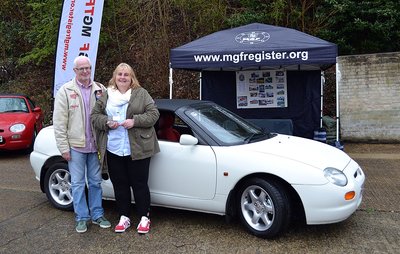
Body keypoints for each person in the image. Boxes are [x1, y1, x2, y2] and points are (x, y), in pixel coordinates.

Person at [91, 63, 160, 234]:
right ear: (114, 76)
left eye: (126, 75)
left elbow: (154, 114)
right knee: (120, 184)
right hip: (114, 148)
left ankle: (144, 217)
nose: (122, 77)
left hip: (137, 148)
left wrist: (135, 121)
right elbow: (94, 116)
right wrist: (106, 122)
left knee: (139, 184)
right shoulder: (106, 95)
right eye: (119, 74)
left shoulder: (141, 93)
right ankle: (124, 217)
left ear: (132, 78)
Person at [53, 55, 111, 233]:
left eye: (88, 68)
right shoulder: (65, 91)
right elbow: (59, 123)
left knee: (95, 183)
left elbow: (108, 113)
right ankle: (81, 218)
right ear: (75, 71)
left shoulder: (100, 89)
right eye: (81, 69)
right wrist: (64, 148)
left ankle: (97, 215)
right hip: (76, 147)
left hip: (95, 147)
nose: (85, 71)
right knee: (77, 184)